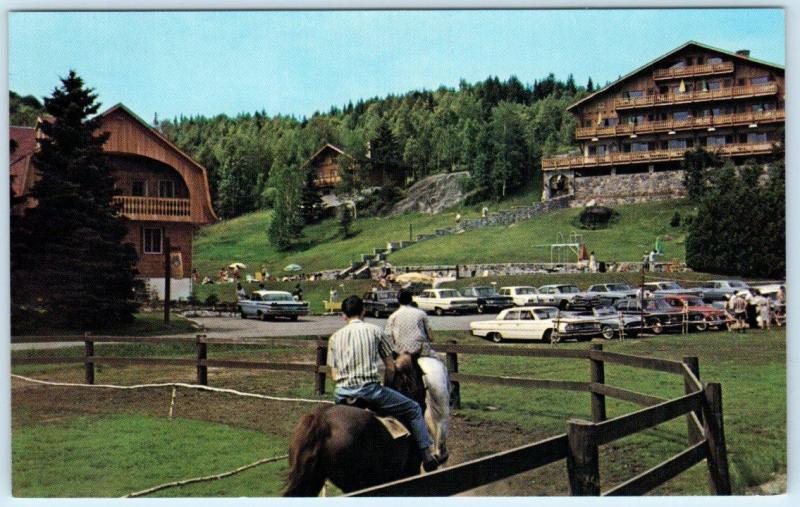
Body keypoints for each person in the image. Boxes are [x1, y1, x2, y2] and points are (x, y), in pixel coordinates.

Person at [327, 296, 439, 472]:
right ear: (364, 311)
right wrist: (388, 385)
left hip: (342, 394)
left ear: (343, 315)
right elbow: (390, 367)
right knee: (414, 409)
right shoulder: (375, 331)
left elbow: (333, 375)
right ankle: (427, 454)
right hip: (370, 391)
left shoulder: (334, 338)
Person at [385, 289, 450, 464]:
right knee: (442, 366)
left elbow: (389, 340)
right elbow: (430, 336)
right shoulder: (421, 313)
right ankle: (449, 395)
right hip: (423, 353)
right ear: (412, 299)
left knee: (388, 379)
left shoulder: (392, 317)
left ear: (398, 301)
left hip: (403, 356)